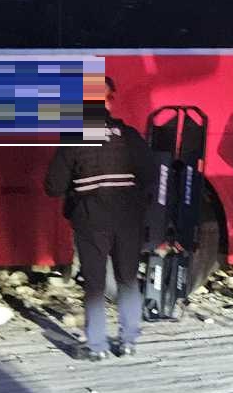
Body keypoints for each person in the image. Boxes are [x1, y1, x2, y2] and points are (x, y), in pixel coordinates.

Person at [43, 76, 157, 361]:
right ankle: (129, 341)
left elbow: (53, 186)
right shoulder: (128, 136)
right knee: (127, 278)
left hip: (90, 218)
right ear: (110, 100)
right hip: (127, 217)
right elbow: (151, 174)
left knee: (94, 283)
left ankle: (97, 346)